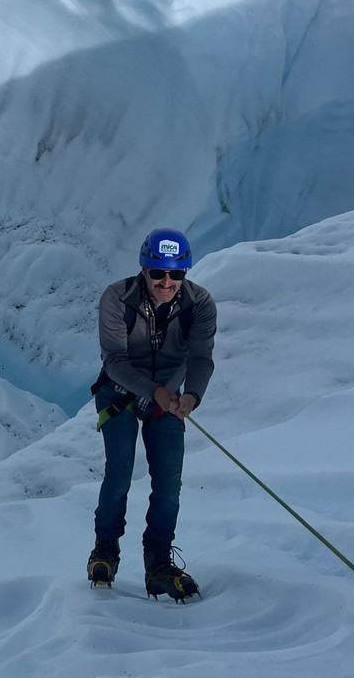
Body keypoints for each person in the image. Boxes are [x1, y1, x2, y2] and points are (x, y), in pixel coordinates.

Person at [86, 228, 217, 601]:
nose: (166, 281)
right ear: (143, 269)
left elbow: (201, 359)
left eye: (176, 274)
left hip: (169, 398)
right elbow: (114, 361)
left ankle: (158, 562)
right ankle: (105, 551)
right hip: (119, 394)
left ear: (185, 273)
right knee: (120, 472)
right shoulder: (117, 298)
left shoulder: (200, 304)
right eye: (158, 273)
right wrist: (156, 391)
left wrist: (191, 395)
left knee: (169, 483)